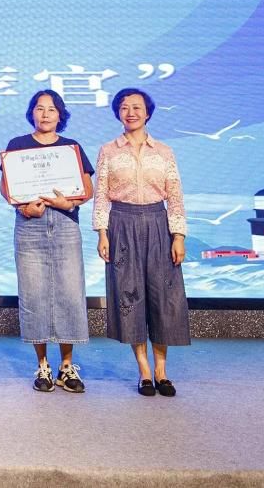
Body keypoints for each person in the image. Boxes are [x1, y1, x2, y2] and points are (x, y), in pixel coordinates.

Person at [93, 87, 190, 397]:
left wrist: (178, 236)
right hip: (121, 224)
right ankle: (144, 371)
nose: (131, 112)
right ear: (118, 114)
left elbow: (175, 195)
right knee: (129, 295)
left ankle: (162, 370)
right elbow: (101, 195)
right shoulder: (108, 150)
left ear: (147, 113)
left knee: (164, 297)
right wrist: (102, 232)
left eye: (137, 107)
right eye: (124, 107)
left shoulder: (164, 151)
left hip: (159, 224)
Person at [2, 90, 95, 393]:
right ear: (32, 113)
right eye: (39, 108)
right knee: (34, 293)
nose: (45, 114)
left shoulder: (71, 147)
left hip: (65, 224)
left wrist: (69, 204)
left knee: (70, 292)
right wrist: (23, 208)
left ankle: (66, 367)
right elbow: (6, 188)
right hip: (30, 225)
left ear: (60, 115)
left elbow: (87, 188)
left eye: (51, 109)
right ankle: (42, 365)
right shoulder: (17, 145)